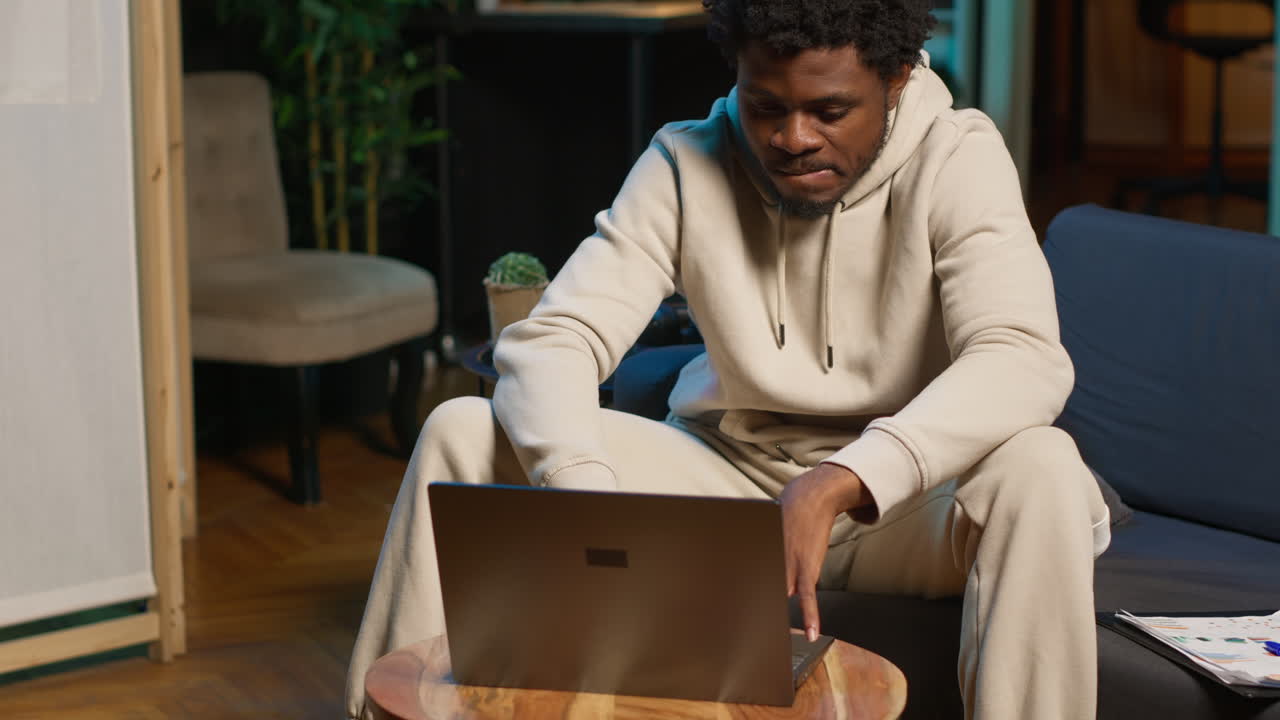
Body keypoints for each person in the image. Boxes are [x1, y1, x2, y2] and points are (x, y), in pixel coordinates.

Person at [345, 1, 1112, 718]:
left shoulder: (960, 156)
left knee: (1043, 468)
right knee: (460, 429)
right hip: (730, 495)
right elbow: (555, 338)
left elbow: (1021, 357)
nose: (793, 138)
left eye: (829, 110)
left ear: (899, 76)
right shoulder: (686, 160)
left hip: (908, 509)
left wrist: (845, 478)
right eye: (767, 106)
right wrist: (584, 496)